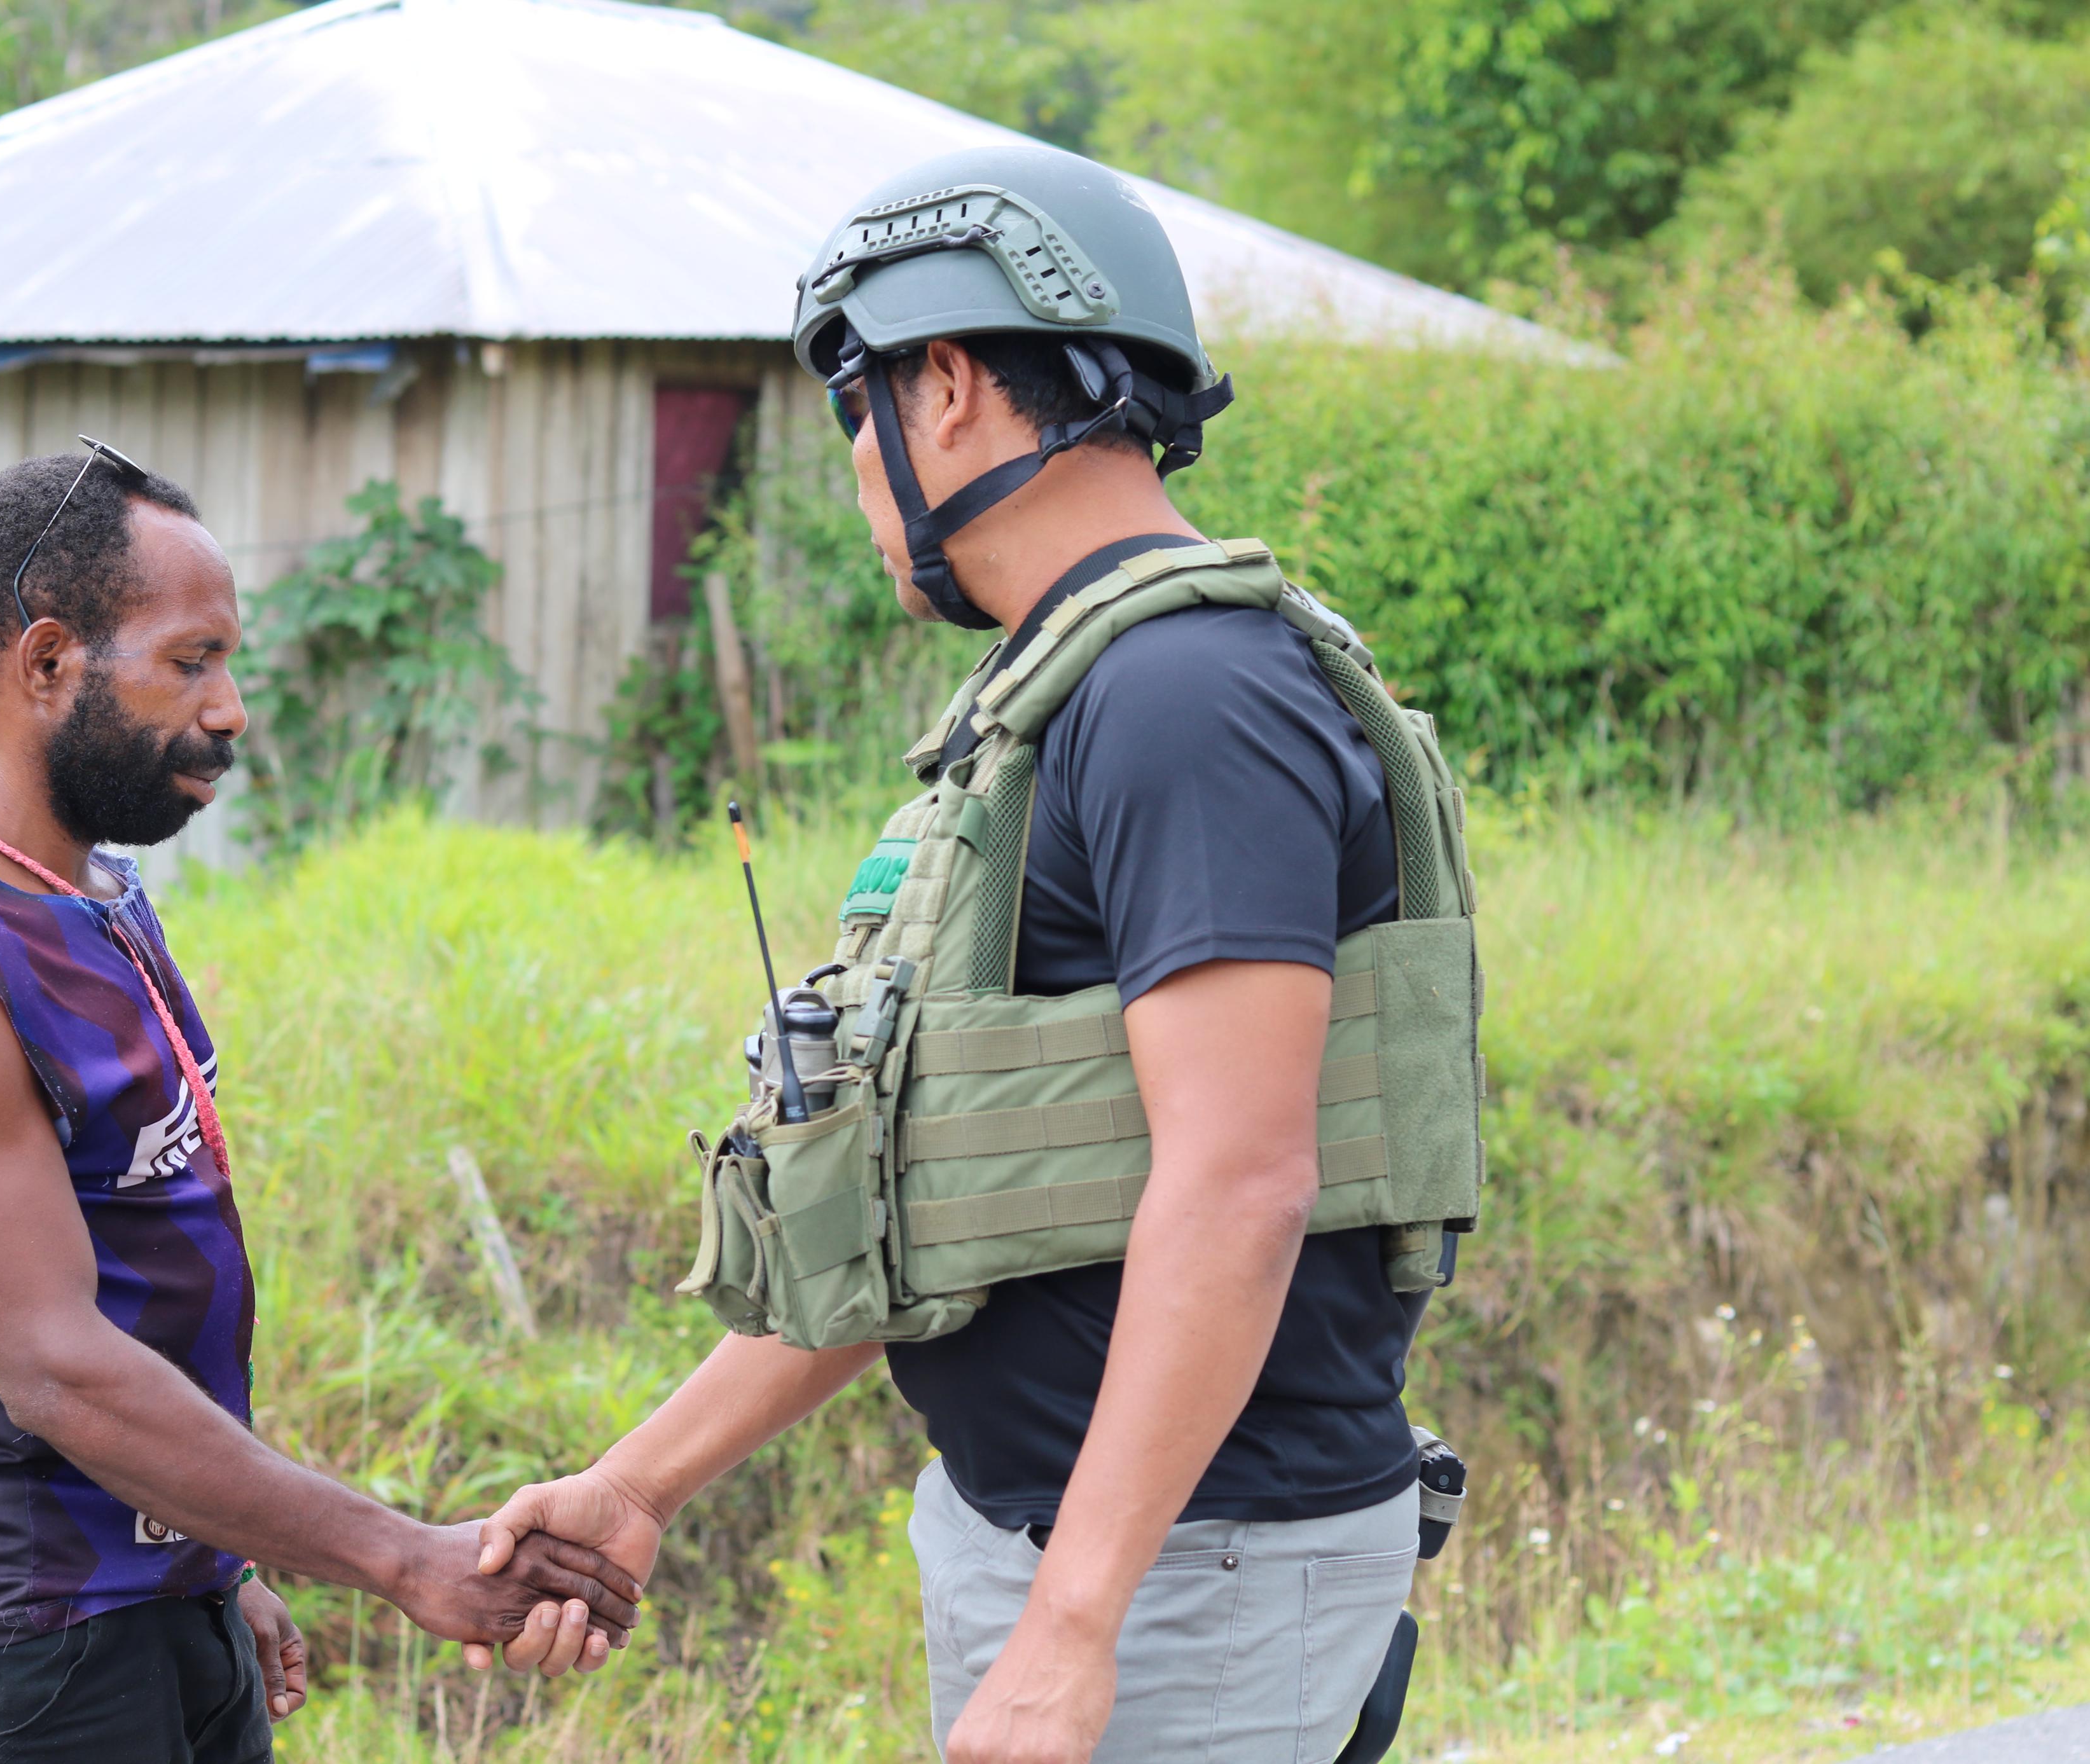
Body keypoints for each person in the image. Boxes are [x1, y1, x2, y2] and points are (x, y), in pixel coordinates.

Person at [471, 145, 1444, 1761]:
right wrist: (638, 1482)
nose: (855, 467)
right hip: (1089, 1556)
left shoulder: (1186, 701)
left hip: (1181, 1584)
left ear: (942, 388)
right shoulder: (1067, 698)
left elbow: (1240, 1180)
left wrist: (1076, 1630)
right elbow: (961, 1190)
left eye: (855, 407)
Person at [0, 441, 636, 1763]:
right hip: (4, 1665)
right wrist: (404, 1557)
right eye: (192, 663)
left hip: (138, 1611)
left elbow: (125, 1281)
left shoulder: (90, 894)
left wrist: (213, 1560)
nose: (232, 707)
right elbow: (61, 1370)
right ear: (51, 662)